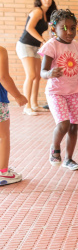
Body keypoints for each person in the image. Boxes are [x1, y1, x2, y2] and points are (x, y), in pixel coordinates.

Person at [39, 9, 78, 170]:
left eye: (73, 27)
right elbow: (42, 72)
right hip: (56, 92)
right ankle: (55, 149)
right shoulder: (51, 46)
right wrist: (49, 73)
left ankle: (69, 159)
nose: (69, 31)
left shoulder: (76, 46)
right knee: (64, 124)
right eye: (64, 28)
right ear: (54, 29)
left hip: (73, 92)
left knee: (73, 127)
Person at [16, 0, 57, 115]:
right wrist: (43, 40)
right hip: (25, 45)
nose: (47, 0)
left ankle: (34, 104)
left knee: (38, 76)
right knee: (31, 75)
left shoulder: (46, 14)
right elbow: (29, 28)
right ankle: (26, 106)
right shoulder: (38, 11)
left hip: (35, 47)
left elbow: (51, 30)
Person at [0, 47, 28, 185]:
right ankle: (3, 172)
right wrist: (18, 96)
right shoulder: (0, 51)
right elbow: (3, 77)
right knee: (3, 136)